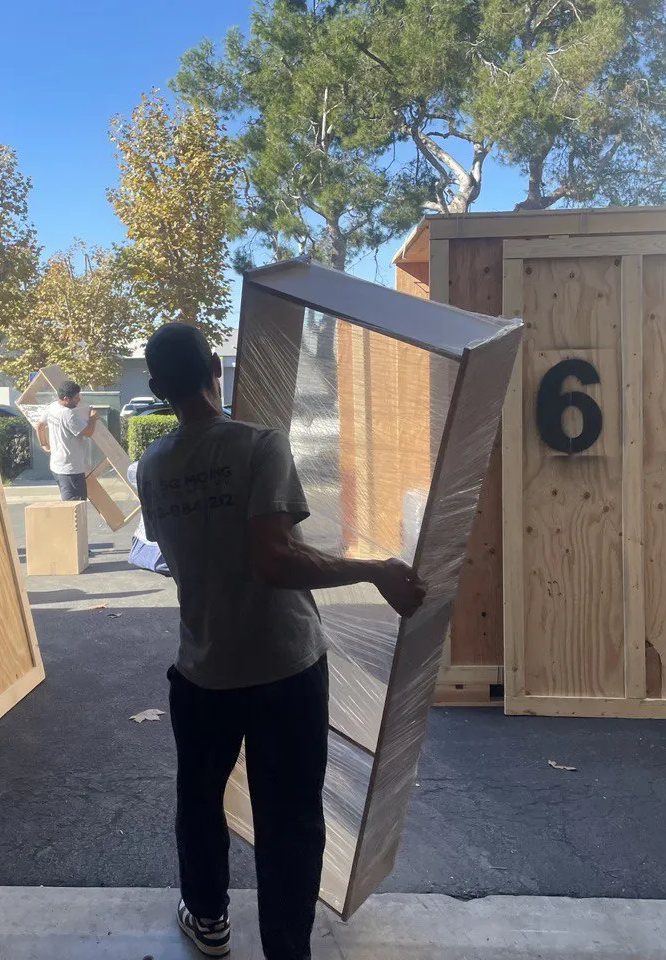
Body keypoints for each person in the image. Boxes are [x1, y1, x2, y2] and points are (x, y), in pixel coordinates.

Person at [136, 322, 427, 960]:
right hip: (282, 670)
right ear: (217, 365)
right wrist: (374, 570)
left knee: (199, 801)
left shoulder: (152, 466)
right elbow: (274, 561)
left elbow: (176, 551)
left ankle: (208, 921)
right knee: (289, 817)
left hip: (203, 668)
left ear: (156, 388)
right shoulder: (260, 445)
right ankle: (286, 950)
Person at [36, 380, 98, 502]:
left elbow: (39, 425)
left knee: (73, 506)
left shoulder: (52, 407)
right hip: (70, 470)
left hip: (57, 466)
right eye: (75, 398)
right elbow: (88, 432)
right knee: (74, 506)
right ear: (65, 398)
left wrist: (44, 444)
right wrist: (92, 418)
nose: (78, 400)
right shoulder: (68, 416)